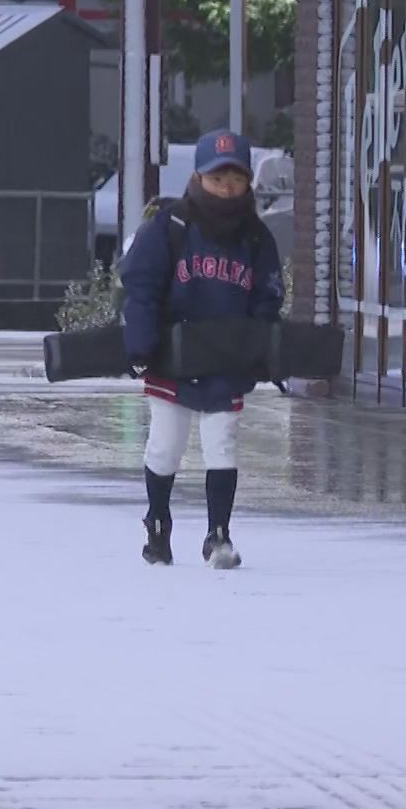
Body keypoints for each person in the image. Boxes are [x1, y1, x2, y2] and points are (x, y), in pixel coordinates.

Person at [118, 128, 284, 569]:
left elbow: (268, 299)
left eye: (235, 180)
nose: (226, 188)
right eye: (216, 178)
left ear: (248, 182)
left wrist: (264, 349)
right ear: (198, 178)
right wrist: (140, 345)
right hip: (174, 354)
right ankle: (158, 524)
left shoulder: (255, 239)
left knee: (222, 444)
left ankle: (218, 535)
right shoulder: (170, 226)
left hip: (225, 357)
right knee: (164, 447)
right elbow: (142, 287)